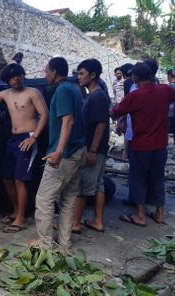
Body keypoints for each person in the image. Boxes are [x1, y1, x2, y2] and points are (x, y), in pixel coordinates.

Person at [111, 63, 175, 226]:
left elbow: (116, 111)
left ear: (135, 78)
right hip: (160, 146)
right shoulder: (164, 90)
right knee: (158, 179)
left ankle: (140, 216)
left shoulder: (135, 96)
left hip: (141, 145)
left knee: (138, 179)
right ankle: (159, 213)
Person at [0, 64, 49, 232]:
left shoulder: (33, 93)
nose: (17, 78)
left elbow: (44, 115)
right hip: (12, 139)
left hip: (28, 137)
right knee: (7, 178)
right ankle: (17, 211)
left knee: (20, 179)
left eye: (19, 75)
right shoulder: (5, 95)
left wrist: (34, 137)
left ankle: (20, 218)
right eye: (13, 76)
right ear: (7, 80)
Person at [30, 56, 86, 250]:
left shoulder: (62, 91)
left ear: (54, 72)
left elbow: (68, 121)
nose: (45, 75)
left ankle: (45, 245)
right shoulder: (75, 88)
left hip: (65, 154)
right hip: (79, 151)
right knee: (69, 199)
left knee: (44, 199)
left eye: (46, 71)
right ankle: (64, 243)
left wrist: (58, 151)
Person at [72, 59, 110, 234]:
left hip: (93, 148)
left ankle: (75, 223)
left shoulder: (97, 96)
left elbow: (101, 124)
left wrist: (93, 150)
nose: (79, 77)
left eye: (82, 73)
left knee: (82, 185)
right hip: (97, 148)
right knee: (98, 184)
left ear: (93, 75)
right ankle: (98, 221)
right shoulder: (93, 95)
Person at [167, 69, 175, 143]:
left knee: (167, 127)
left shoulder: (170, 86)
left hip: (169, 110)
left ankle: (166, 143)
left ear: (169, 76)